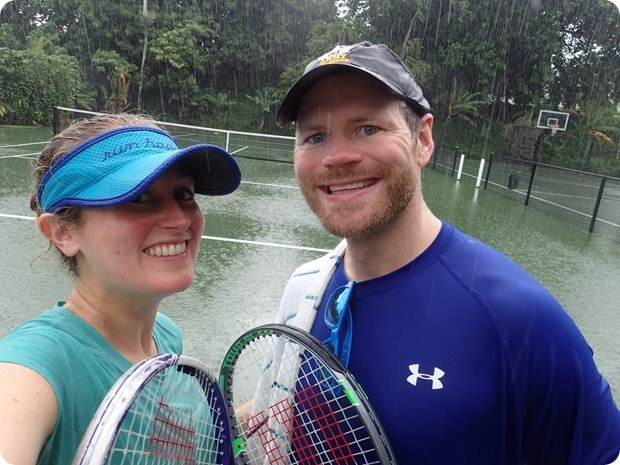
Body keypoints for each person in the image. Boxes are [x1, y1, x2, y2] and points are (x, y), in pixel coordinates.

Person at [274, 41, 620, 464]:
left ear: (423, 139)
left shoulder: (521, 319)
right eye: (315, 136)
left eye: (368, 129)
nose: (337, 157)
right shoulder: (304, 290)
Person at [0, 113, 241, 464]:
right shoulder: (37, 366)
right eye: (139, 197)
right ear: (63, 233)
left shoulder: (166, 336)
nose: (179, 219)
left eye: (184, 194)